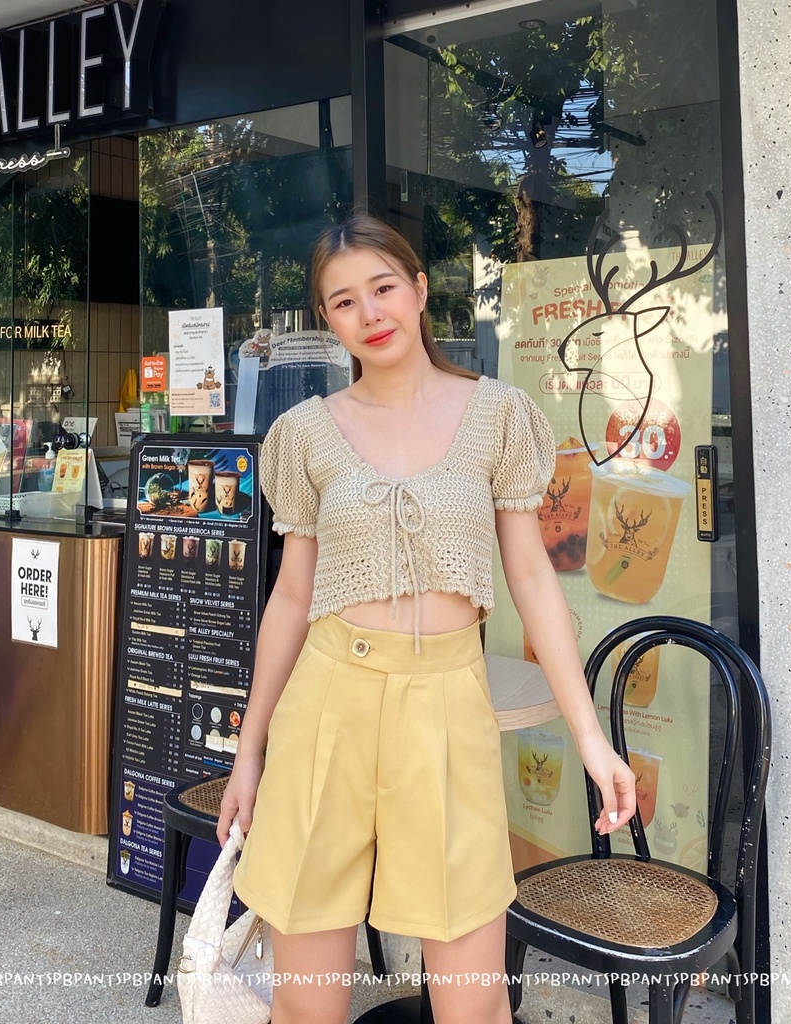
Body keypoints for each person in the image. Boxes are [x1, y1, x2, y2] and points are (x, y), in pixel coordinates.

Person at [217, 214, 636, 1024]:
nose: (369, 313)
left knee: (474, 1005)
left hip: (447, 703)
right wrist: (249, 752)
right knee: (305, 1006)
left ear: (417, 290)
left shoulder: (499, 415)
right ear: (327, 319)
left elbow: (532, 579)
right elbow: (292, 598)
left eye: (382, 288)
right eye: (344, 301)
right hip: (326, 705)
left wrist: (590, 739)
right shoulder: (305, 433)